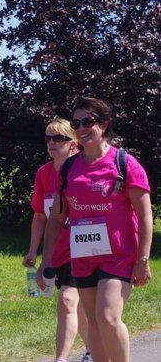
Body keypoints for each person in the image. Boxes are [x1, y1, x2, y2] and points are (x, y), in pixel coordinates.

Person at [38, 97, 153, 362]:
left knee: (108, 316)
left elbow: (145, 215)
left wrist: (143, 260)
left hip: (119, 256)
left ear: (104, 124)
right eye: (76, 123)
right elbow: (56, 219)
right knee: (94, 323)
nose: (81, 128)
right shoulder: (69, 168)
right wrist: (46, 260)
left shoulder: (124, 164)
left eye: (87, 122)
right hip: (83, 256)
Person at [22, 118, 91, 362]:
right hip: (57, 251)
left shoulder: (84, 169)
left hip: (84, 248)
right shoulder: (43, 173)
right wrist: (34, 251)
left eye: (58, 138)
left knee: (68, 299)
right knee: (77, 307)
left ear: (73, 144)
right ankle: (95, 350)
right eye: (48, 138)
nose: (51, 143)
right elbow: (40, 216)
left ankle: (60, 359)